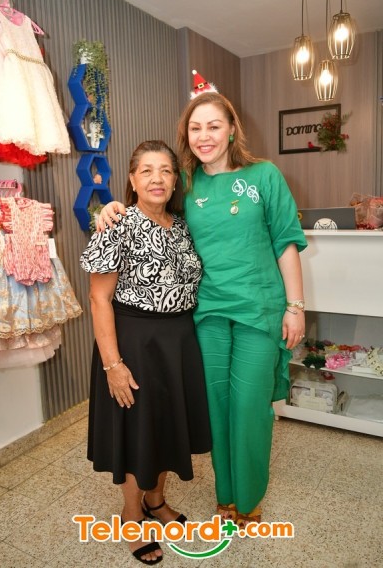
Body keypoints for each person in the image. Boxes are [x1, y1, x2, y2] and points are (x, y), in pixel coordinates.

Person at [98, 84, 307, 530]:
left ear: (232, 130)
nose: (204, 135)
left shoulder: (265, 176)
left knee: (249, 408)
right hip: (206, 314)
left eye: (214, 126)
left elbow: (286, 242)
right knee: (217, 408)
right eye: (195, 128)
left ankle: (248, 500)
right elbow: (150, 204)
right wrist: (111, 208)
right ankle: (225, 498)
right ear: (186, 135)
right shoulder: (187, 183)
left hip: (258, 309)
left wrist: (296, 305)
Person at [80, 140, 212, 565]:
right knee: (138, 432)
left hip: (178, 342)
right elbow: (99, 299)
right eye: (147, 171)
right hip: (134, 343)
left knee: (166, 426)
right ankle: (132, 514)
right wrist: (112, 365)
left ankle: (156, 501)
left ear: (175, 181)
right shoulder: (117, 224)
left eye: (166, 171)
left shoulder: (182, 225)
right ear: (133, 180)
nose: (158, 179)